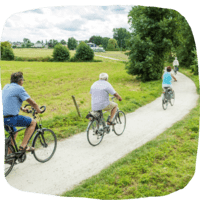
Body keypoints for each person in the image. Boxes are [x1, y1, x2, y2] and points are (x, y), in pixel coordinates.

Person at [2, 72, 43, 154]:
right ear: (20, 80)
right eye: (23, 80)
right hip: (10, 118)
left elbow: (9, 100)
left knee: (14, 133)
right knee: (33, 122)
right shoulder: (19, 88)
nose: (23, 82)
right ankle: (23, 146)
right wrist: (39, 110)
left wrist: (22, 108)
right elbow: (32, 103)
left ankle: (9, 156)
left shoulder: (6, 87)